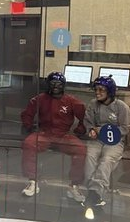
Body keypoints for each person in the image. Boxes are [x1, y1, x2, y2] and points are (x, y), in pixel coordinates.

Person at [20, 71, 86, 201]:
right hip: (44, 133)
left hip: (63, 135)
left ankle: (74, 185)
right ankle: (32, 181)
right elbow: (27, 114)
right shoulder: (39, 99)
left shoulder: (71, 101)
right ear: (48, 84)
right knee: (28, 144)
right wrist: (29, 126)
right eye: (52, 83)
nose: (55, 86)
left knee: (81, 149)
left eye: (58, 84)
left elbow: (85, 117)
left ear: (63, 85)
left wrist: (80, 130)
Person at [82, 74, 130, 220]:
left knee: (107, 160)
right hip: (97, 140)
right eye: (96, 90)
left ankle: (95, 192)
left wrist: (104, 130)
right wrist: (91, 130)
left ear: (110, 91)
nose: (97, 93)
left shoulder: (121, 107)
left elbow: (125, 128)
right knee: (89, 156)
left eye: (101, 90)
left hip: (114, 141)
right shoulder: (93, 104)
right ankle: (92, 191)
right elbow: (88, 122)